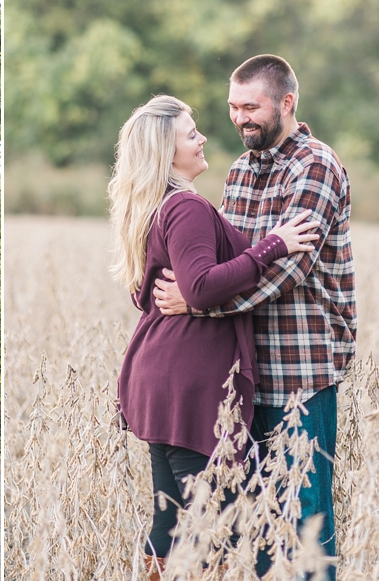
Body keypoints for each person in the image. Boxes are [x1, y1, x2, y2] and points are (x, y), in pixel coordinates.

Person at [153, 55, 356, 580]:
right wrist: (200, 288)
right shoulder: (241, 171)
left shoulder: (316, 167)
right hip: (239, 378)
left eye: (251, 107)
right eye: (232, 107)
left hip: (300, 378)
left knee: (302, 526)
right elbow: (223, 266)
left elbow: (286, 270)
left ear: (287, 103)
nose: (239, 118)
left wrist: (198, 299)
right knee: (260, 530)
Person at [109, 94, 319, 579]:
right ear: (167, 152)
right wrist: (275, 244)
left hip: (161, 375)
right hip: (191, 381)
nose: (202, 138)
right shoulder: (186, 208)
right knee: (208, 521)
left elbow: (154, 291)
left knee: (173, 514)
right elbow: (200, 287)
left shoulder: (154, 206)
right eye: (190, 134)